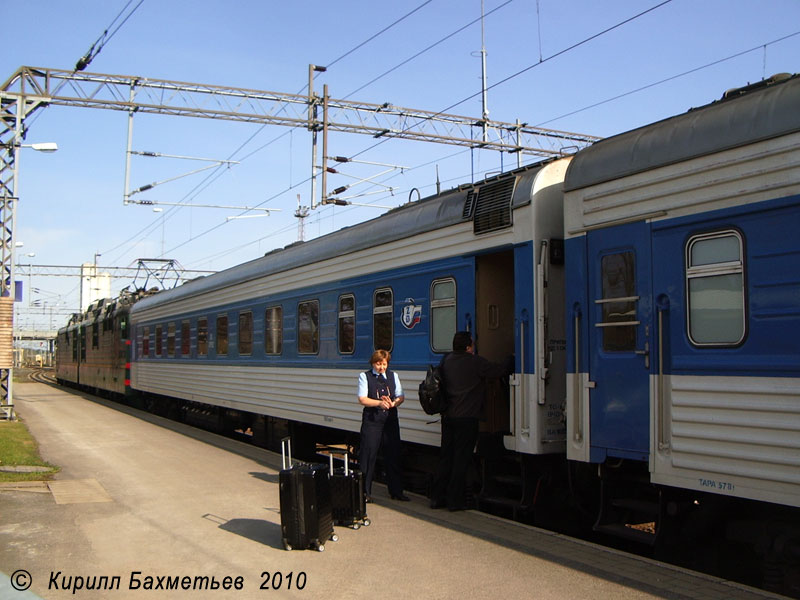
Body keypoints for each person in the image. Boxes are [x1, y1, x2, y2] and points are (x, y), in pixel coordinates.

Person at [430, 331, 513, 511]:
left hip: (448, 417)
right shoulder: (475, 362)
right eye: (472, 345)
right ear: (468, 347)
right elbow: (499, 371)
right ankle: (454, 502)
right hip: (467, 419)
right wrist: (511, 357)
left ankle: (436, 498)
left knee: (446, 457)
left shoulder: (447, 361)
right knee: (461, 460)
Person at [357, 349, 409, 503]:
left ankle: (396, 491)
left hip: (390, 419)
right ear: (373, 363)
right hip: (372, 420)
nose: (381, 367)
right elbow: (362, 399)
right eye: (378, 364)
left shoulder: (394, 376)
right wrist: (379, 403)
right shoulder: (365, 376)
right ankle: (364, 492)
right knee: (368, 455)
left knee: (393, 454)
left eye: (384, 364)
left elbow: (400, 396)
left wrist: (393, 403)